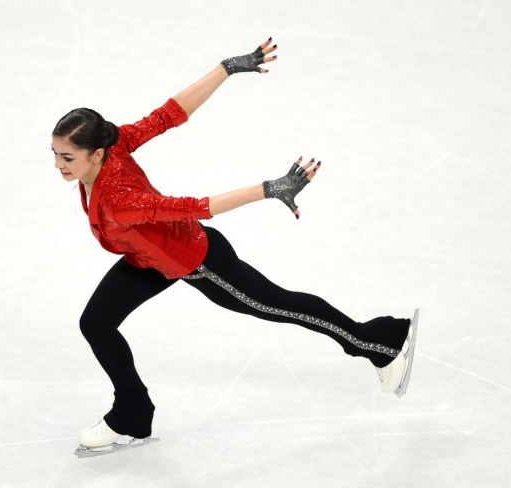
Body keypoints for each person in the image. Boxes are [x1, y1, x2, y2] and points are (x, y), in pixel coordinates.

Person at [51, 38, 417, 454]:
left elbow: (195, 207)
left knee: (278, 305)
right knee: (96, 323)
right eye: (56, 154)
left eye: (68, 158)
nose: (59, 165)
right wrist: (226, 67)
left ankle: (379, 342)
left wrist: (269, 189)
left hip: (195, 259)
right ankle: (132, 414)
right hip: (148, 258)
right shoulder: (111, 149)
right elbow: (168, 114)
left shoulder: (121, 200)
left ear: (97, 153)